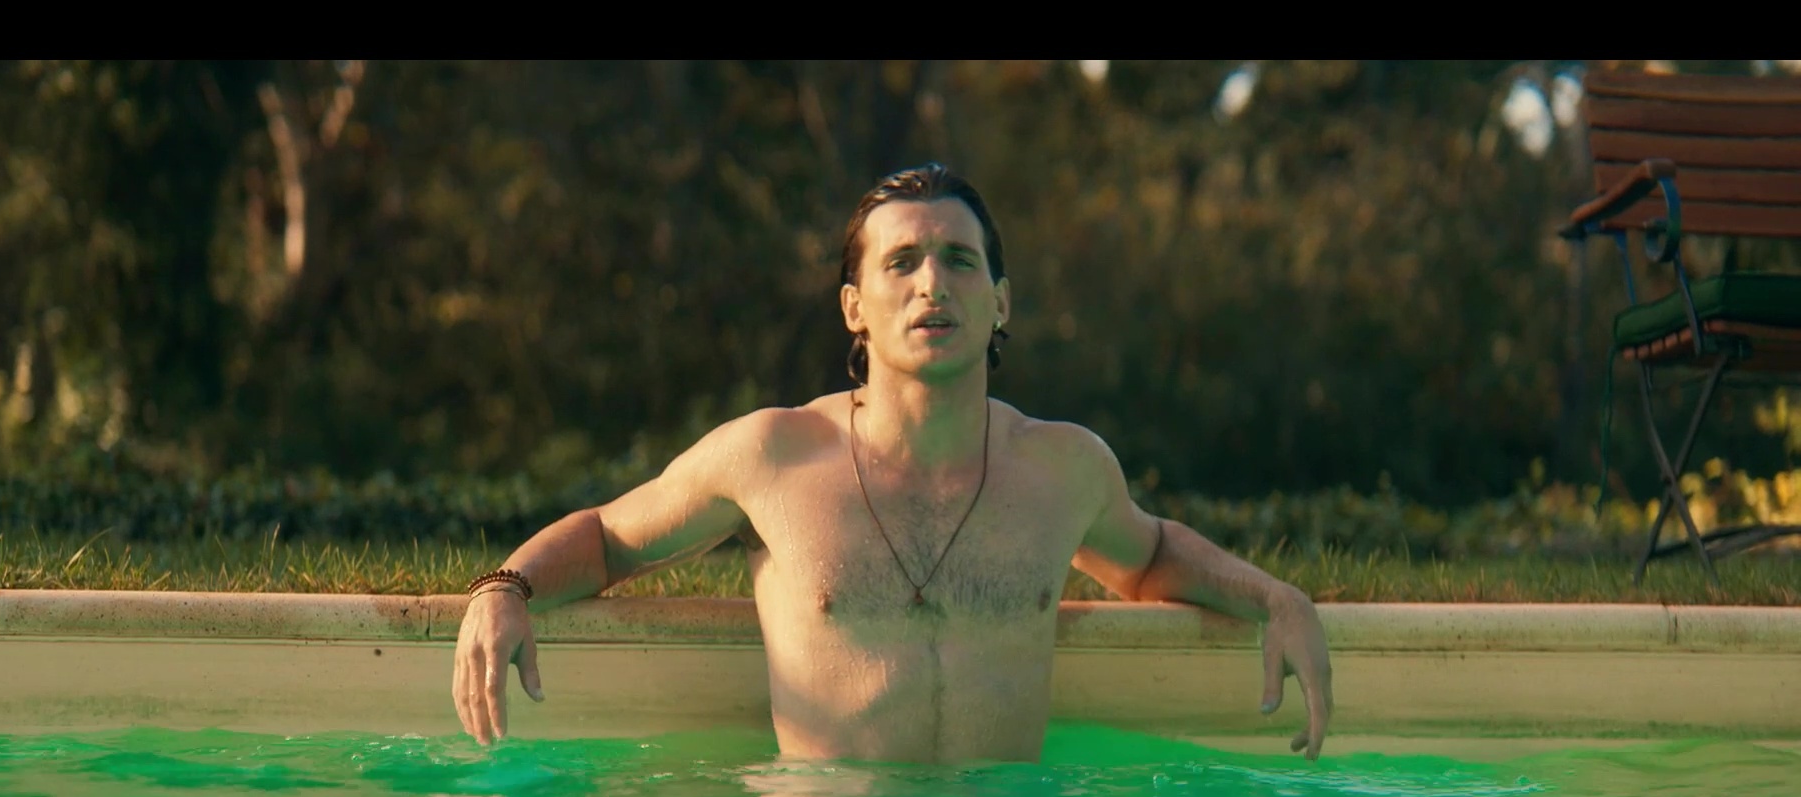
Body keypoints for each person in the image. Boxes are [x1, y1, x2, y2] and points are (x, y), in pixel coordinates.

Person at [452, 163, 1334, 764]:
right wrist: (504, 589)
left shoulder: (1062, 469)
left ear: (1001, 303)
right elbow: (609, 537)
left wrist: (1277, 599)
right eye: (902, 262)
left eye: (959, 261)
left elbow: (1150, 556)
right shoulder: (773, 456)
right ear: (854, 306)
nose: (931, 284)